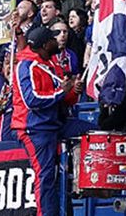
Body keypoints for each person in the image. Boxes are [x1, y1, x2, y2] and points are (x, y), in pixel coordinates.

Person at [12, 25, 91, 216]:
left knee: (93, 132)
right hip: (34, 128)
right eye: (53, 39)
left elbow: (61, 97)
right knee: (45, 176)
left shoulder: (48, 63)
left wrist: (73, 92)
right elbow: (31, 100)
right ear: (45, 44)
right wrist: (61, 91)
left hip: (55, 123)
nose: (57, 41)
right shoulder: (26, 66)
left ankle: (84, 182)